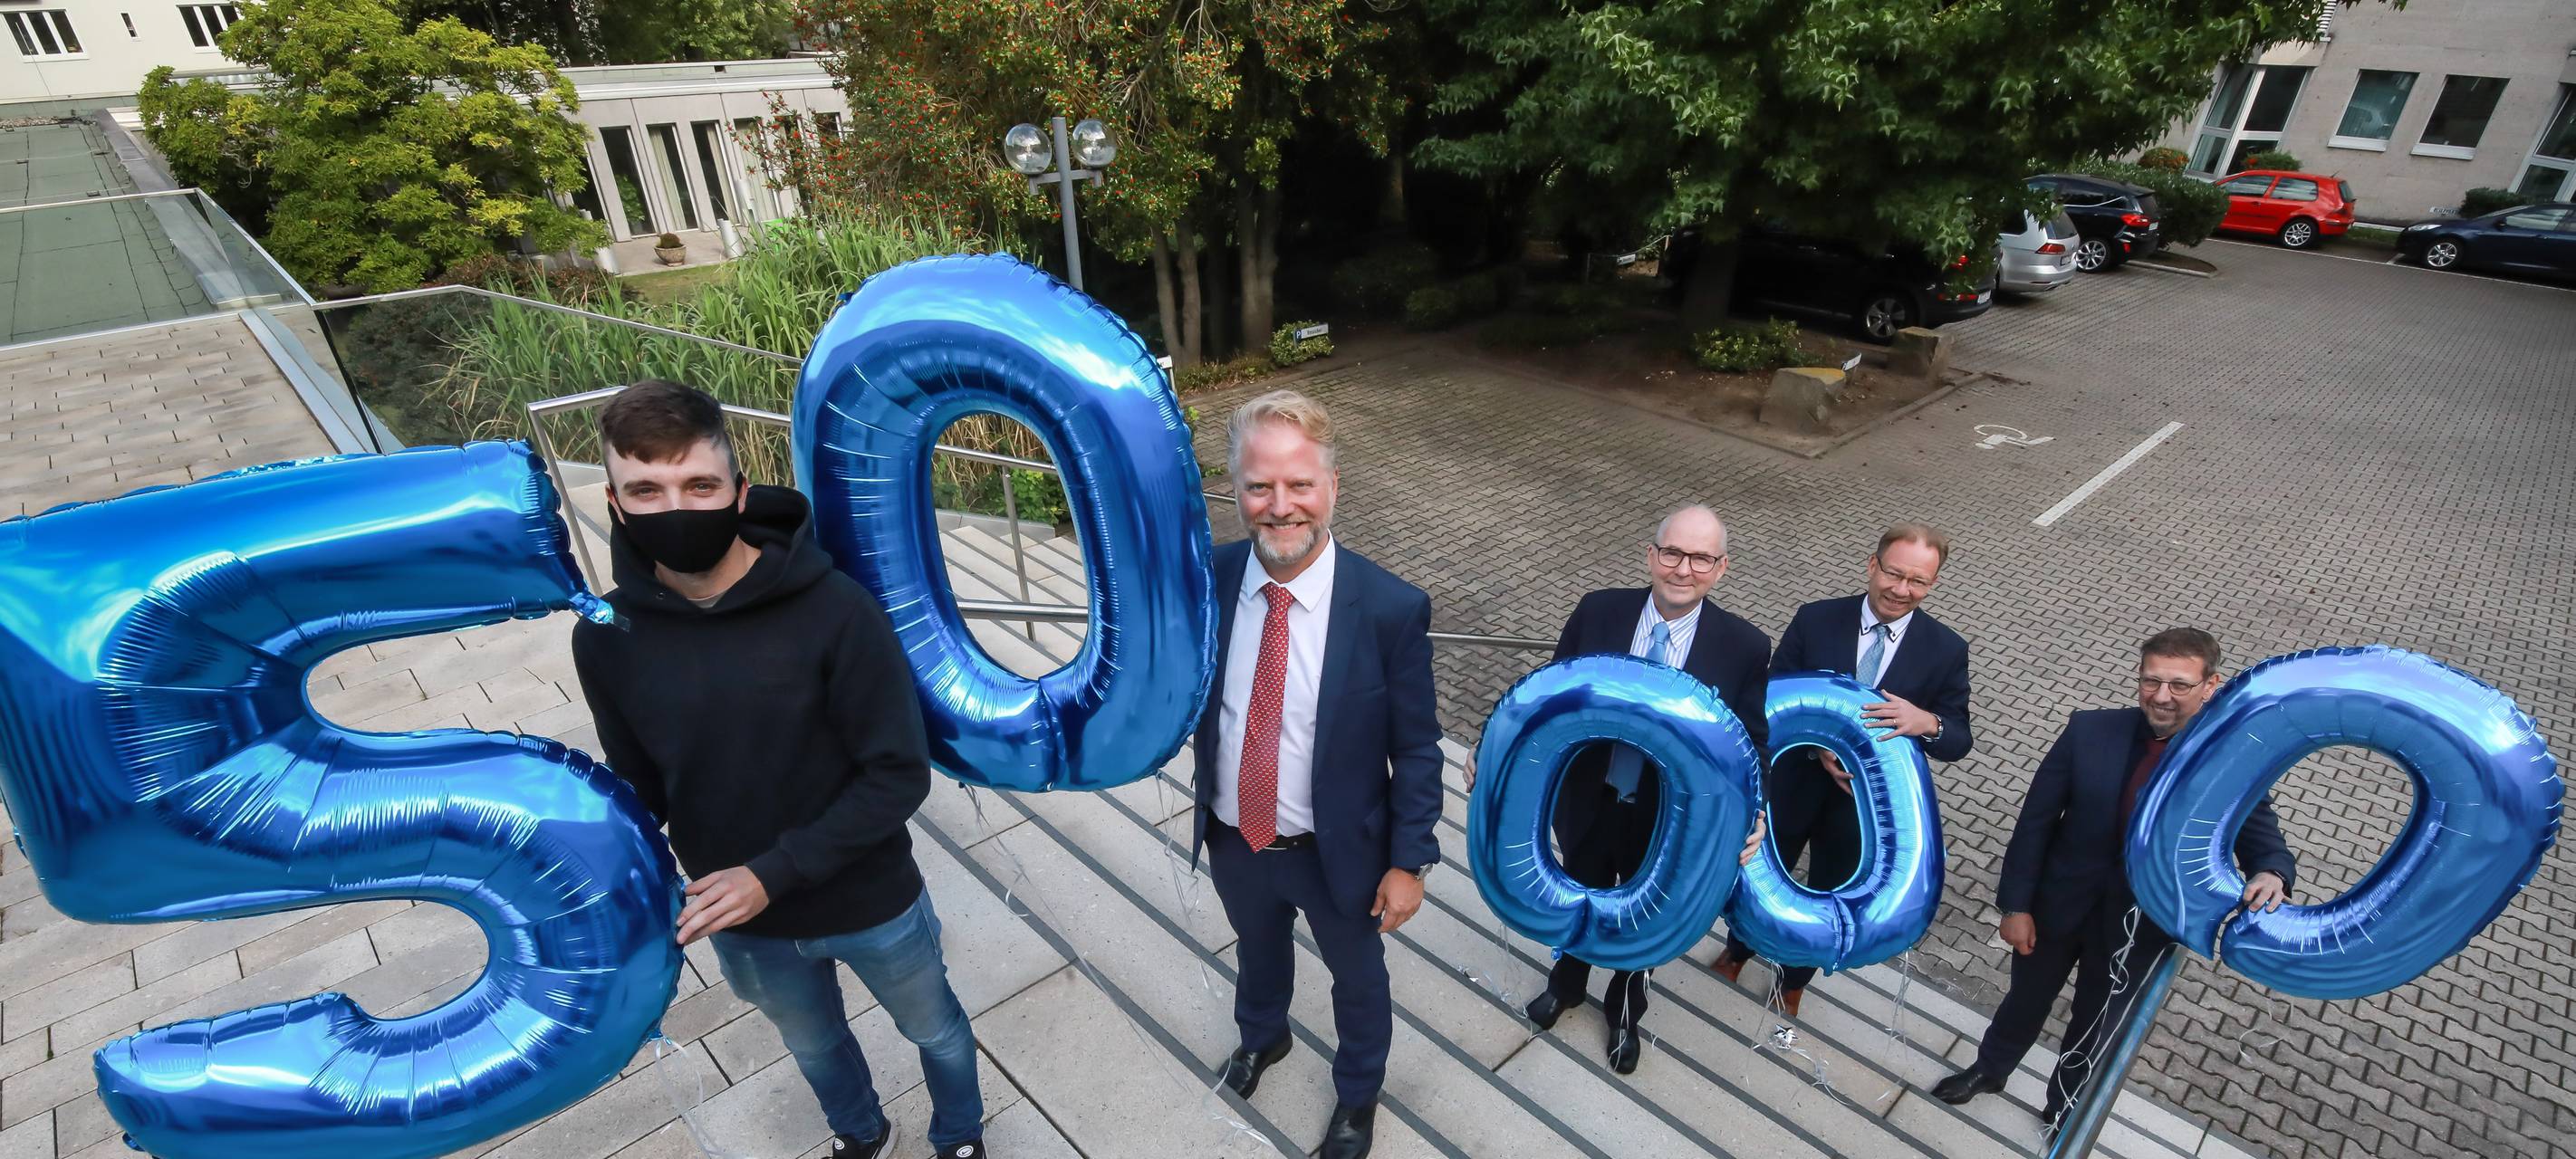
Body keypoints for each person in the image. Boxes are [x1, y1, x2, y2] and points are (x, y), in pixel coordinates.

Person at [570, 380, 985, 1159]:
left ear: (738, 491)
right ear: (616, 505)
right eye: (646, 491)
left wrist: (771, 871)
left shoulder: (835, 609)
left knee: (936, 1029)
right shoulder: (607, 636)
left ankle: (960, 1135)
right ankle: (860, 1135)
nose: (676, 508)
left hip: (869, 898)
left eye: (698, 485)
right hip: (745, 923)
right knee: (815, 1049)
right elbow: (639, 790)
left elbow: (897, 775)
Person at [1192, 390, 1442, 1159]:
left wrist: (1409, 861)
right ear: (1235, 490)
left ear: (1332, 487)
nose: (1279, 506)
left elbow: (1422, 748)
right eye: (1259, 485)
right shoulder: (1208, 577)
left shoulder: (1390, 609)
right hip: (1236, 834)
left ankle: (1358, 1095)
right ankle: (1263, 1038)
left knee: (1358, 983)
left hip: (1342, 854)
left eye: (1299, 484)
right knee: (1257, 950)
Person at [1930, 627, 2295, 1139]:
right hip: (2056, 906)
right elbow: (2036, 821)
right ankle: (1990, 1070)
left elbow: (2262, 837)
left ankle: (2065, 1106)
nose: (2161, 697)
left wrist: (2271, 871)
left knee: (2096, 1020)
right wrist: (2014, 905)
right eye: (2151, 681)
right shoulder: (2089, 730)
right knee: (2025, 998)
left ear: (2212, 685)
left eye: (2179, 685)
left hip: (2140, 926)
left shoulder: (2230, 760)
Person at [1511, 505, 1772, 1074]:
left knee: (1646, 914)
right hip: (1591, 794)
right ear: (1651, 555)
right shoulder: (1598, 610)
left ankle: (1626, 1010)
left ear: (1721, 568)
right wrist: (1497, 755)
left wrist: (1758, 812)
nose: (1684, 568)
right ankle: (1568, 982)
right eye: (1673, 552)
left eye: (1701, 558)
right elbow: (1547, 696)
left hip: (1669, 820)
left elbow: (1751, 743)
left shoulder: (1745, 646)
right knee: (1578, 891)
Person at [1713, 523, 1974, 1015]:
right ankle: (1737, 950)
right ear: (1872, 566)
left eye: (1917, 581)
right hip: (1789, 787)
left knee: (1832, 894)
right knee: (1758, 870)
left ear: (1933, 584)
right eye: (1893, 574)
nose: (1901, 590)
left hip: (1863, 812)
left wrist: (1927, 721)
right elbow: (1770, 695)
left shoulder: (1945, 649)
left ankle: (1792, 984)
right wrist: (1819, 748)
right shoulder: (1817, 619)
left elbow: (1959, 738)